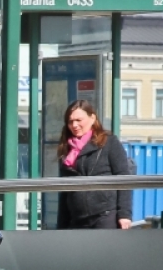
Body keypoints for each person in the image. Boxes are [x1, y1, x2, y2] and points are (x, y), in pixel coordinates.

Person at [55, 99, 133, 230]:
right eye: (70, 121)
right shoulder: (67, 149)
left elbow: (124, 177)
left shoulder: (109, 142)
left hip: (105, 216)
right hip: (76, 218)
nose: (74, 125)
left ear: (92, 118)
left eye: (79, 120)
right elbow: (65, 192)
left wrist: (124, 214)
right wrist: (61, 225)